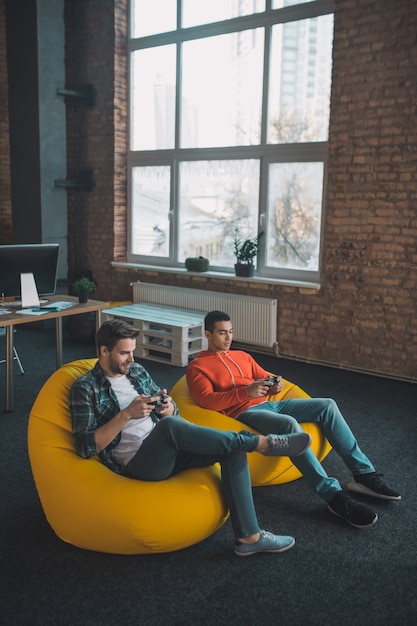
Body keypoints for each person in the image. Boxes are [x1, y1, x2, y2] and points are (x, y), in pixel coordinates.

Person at [70, 319, 312, 557]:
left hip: (169, 449)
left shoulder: (136, 371)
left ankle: (250, 537)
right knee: (171, 427)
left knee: (224, 446)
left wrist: (167, 407)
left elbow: (170, 408)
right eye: (124, 353)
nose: (131, 360)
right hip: (139, 464)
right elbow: (84, 446)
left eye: (133, 352)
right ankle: (259, 443)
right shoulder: (85, 388)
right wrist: (126, 415)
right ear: (103, 351)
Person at [186, 310, 401, 530]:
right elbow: (207, 401)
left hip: (272, 403)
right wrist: (246, 393)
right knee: (288, 424)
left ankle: (363, 474)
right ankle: (333, 496)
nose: (228, 338)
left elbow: (264, 377)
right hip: (245, 412)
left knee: (327, 405)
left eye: (230, 332)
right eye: (222, 333)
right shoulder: (197, 367)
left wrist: (274, 384)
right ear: (208, 334)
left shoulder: (242, 356)